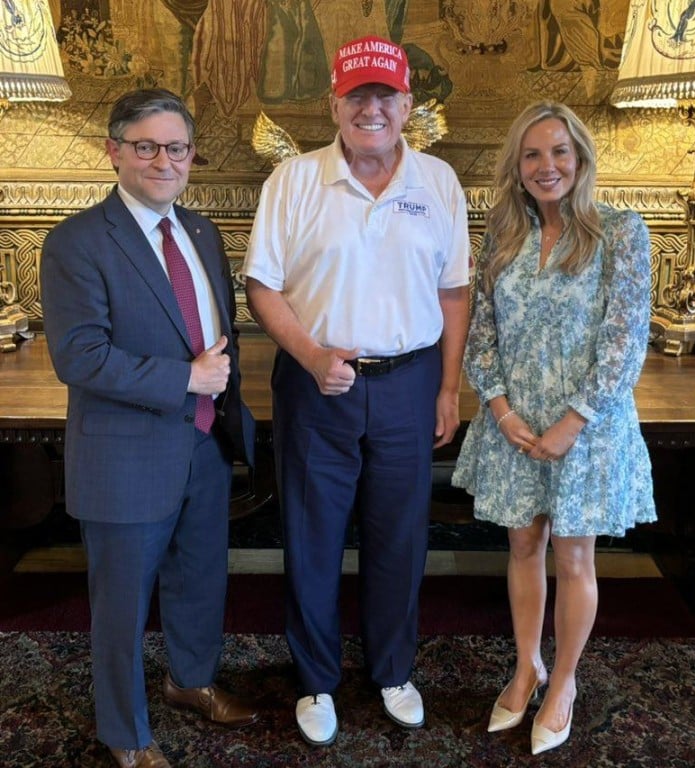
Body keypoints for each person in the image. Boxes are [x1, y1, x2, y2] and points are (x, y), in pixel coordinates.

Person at [244, 35, 470, 747]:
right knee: (311, 535)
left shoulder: (438, 183)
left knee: (399, 536)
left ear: (408, 105)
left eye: (385, 96)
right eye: (356, 96)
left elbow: (455, 290)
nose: (370, 109)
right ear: (333, 104)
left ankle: (393, 669)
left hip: (408, 383)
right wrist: (311, 355)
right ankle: (315, 679)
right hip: (318, 387)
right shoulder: (295, 181)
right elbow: (262, 287)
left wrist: (448, 387)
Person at [41, 88, 258, 768]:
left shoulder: (199, 232)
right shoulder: (76, 242)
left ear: (191, 155)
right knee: (121, 606)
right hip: (126, 457)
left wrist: (218, 399)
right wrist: (183, 381)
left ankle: (189, 680)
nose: (164, 160)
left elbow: (217, 334)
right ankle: (126, 734)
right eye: (146, 146)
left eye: (176, 147)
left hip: (203, 446)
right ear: (115, 151)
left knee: (201, 579)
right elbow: (79, 356)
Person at [452, 101, 656, 755]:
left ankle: (563, 680)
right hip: (514, 426)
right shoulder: (501, 235)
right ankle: (525, 666)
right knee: (520, 548)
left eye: (560, 152)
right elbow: (480, 335)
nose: (547, 166)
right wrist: (503, 408)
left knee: (574, 557)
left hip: (587, 430)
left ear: (581, 159)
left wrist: (573, 421)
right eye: (533, 154)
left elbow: (625, 344)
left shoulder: (620, 231)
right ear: (517, 167)